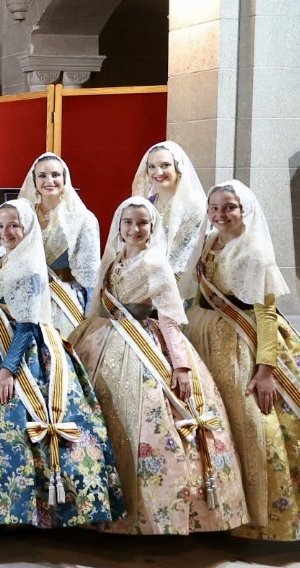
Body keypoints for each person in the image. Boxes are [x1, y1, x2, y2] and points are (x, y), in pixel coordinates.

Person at [185, 181, 300, 539]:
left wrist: (266, 371)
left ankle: (260, 517)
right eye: (214, 208)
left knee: (251, 422)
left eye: (229, 207)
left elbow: (264, 314)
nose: (220, 215)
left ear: (244, 208)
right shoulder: (209, 242)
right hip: (204, 335)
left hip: (241, 343)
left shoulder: (254, 252)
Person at [68, 198, 246, 534]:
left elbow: (168, 322)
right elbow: (99, 308)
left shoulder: (156, 265)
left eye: (142, 223)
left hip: (143, 345)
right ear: (119, 226)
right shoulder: (113, 261)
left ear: (153, 227)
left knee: (146, 424)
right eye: (128, 223)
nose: (135, 229)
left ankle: (148, 515)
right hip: (103, 341)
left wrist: (180, 366)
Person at [0, 200, 121, 527]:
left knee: (15, 422)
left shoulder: (30, 267)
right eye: (1, 226)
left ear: (29, 228)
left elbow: (26, 324)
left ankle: (29, 509)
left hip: (24, 352)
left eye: (14, 226)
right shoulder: (4, 260)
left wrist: (8, 369)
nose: (6, 232)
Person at [19, 152, 99, 334]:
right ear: (34, 181)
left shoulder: (83, 219)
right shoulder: (23, 216)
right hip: (27, 299)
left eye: (55, 175)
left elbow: (91, 275)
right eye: (42, 176)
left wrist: (89, 319)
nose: (49, 181)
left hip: (64, 302)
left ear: (65, 178)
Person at [131, 141, 208, 280]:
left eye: (165, 165)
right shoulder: (148, 204)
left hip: (181, 282)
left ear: (178, 167)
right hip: (145, 278)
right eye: (152, 167)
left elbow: (185, 255)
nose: (158, 172)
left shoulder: (194, 207)